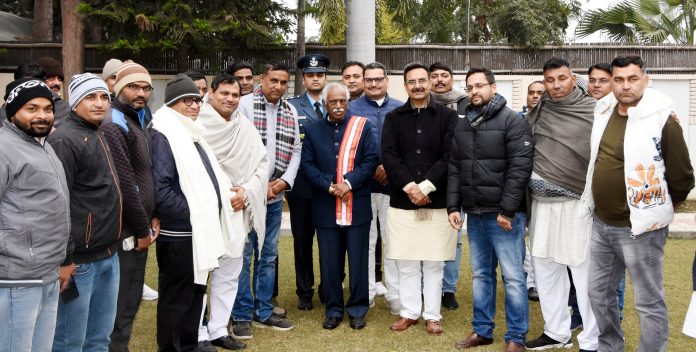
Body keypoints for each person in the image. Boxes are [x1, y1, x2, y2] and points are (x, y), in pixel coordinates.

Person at [583, 54, 694, 352]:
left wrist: (656, 207)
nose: (625, 86)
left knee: (648, 300)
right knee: (598, 294)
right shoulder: (604, 111)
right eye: (618, 80)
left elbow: (683, 176)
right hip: (601, 225)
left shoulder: (661, 119)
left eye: (632, 79)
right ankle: (609, 347)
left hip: (641, 229)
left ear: (645, 79)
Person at [151, 74, 243, 352]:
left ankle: (189, 346)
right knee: (176, 298)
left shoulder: (191, 132)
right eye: (186, 101)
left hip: (197, 232)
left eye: (196, 100)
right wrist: (196, 214)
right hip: (179, 233)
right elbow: (161, 190)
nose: (194, 106)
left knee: (194, 294)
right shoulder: (163, 133)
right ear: (171, 103)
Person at [449, 67, 533, 352]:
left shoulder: (512, 121)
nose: (474, 91)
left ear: (493, 88)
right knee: (481, 275)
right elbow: (455, 168)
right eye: (470, 86)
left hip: (504, 217)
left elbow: (520, 170)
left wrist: (507, 211)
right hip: (476, 214)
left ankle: (516, 338)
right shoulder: (464, 123)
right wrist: (453, 205)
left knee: (512, 277)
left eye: (480, 86)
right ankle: (482, 331)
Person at [524, 58, 599, 352]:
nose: (556, 85)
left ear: (573, 78)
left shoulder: (594, 110)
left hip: (577, 205)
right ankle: (556, 332)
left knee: (582, 272)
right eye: (550, 80)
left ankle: (592, 339)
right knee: (545, 268)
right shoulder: (539, 111)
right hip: (541, 206)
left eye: (561, 78)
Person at [382, 62, 458, 335]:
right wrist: (410, 187)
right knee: (406, 261)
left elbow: (450, 156)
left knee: (434, 262)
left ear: (428, 83)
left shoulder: (447, 118)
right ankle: (409, 312)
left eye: (422, 80)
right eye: (411, 81)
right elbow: (389, 156)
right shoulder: (393, 118)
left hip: (436, 202)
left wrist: (425, 187)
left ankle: (433, 315)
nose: (417, 86)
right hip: (402, 201)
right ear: (404, 86)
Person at [49, 73, 122, 352]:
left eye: (104, 97)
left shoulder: (99, 132)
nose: (100, 103)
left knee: (99, 339)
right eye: (91, 97)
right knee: (70, 342)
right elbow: (58, 206)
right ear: (76, 101)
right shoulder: (65, 140)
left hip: (108, 255)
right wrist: (65, 258)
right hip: (80, 262)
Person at [197, 74, 268, 351]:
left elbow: (262, 165)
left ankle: (217, 329)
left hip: (238, 208)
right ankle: (199, 332)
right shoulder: (196, 124)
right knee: (200, 275)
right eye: (224, 93)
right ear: (211, 93)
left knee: (229, 272)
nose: (230, 99)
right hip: (205, 212)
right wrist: (223, 195)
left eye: (235, 95)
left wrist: (246, 192)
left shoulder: (244, 127)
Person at [0, 78, 70, 352]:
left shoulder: (43, 145)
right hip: (17, 277)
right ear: (12, 111)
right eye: (32, 108)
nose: (42, 115)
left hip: (47, 272)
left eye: (47, 108)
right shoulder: (4, 148)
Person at [301, 83, 378, 330]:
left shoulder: (362, 126)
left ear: (347, 102)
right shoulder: (313, 130)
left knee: (358, 263)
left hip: (357, 206)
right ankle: (333, 310)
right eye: (332, 102)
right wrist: (330, 186)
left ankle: (357, 309)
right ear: (325, 104)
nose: (337, 106)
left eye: (342, 101)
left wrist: (348, 183)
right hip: (325, 206)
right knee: (330, 263)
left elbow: (370, 161)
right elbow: (307, 165)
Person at [232, 62, 300, 339]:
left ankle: (263, 310)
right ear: (263, 79)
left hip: (274, 196)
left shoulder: (290, 110)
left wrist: (284, 182)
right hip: (248, 196)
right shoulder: (244, 105)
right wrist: (258, 187)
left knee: (268, 256)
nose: (278, 87)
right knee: (243, 255)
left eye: (284, 82)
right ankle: (240, 313)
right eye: (274, 80)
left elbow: (296, 148)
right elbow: (236, 148)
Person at [100, 62, 159, 351]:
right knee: (120, 301)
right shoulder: (114, 122)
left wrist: (153, 215)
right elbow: (125, 183)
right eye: (133, 87)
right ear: (118, 88)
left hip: (140, 224)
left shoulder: (135, 118)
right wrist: (142, 227)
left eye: (146, 88)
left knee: (131, 298)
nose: (141, 93)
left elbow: (145, 173)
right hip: (125, 228)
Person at [348, 62, 403, 313]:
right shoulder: (351, 109)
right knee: (365, 242)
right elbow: (349, 150)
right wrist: (370, 170)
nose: (373, 84)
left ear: (387, 80)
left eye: (378, 79)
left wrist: (389, 168)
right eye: (368, 80)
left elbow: (407, 148)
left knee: (393, 242)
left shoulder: (401, 109)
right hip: (363, 187)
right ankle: (366, 292)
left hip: (394, 187)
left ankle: (394, 294)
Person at [287, 54, 330, 311]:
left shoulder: (336, 103)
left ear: (325, 78)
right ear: (303, 79)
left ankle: (329, 289)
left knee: (329, 241)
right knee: (302, 241)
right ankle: (304, 292)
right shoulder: (291, 107)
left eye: (320, 74)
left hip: (328, 187)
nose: (315, 78)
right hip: (301, 186)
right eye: (311, 75)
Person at [428, 61, 467, 310]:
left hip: (459, 179)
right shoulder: (421, 104)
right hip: (429, 180)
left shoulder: (467, 103)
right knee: (428, 235)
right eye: (435, 76)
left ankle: (448, 289)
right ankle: (427, 285)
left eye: (445, 75)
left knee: (455, 237)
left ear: (452, 78)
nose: (440, 80)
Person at [518, 80, 545, 302]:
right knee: (522, 239)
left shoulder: (554, 121)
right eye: (531, 93)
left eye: (540, 93)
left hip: (545, 188)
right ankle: (528, 281)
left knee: (539, 239)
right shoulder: (517, 121)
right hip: (520, 188)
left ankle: (537, 282)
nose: (535, 96)